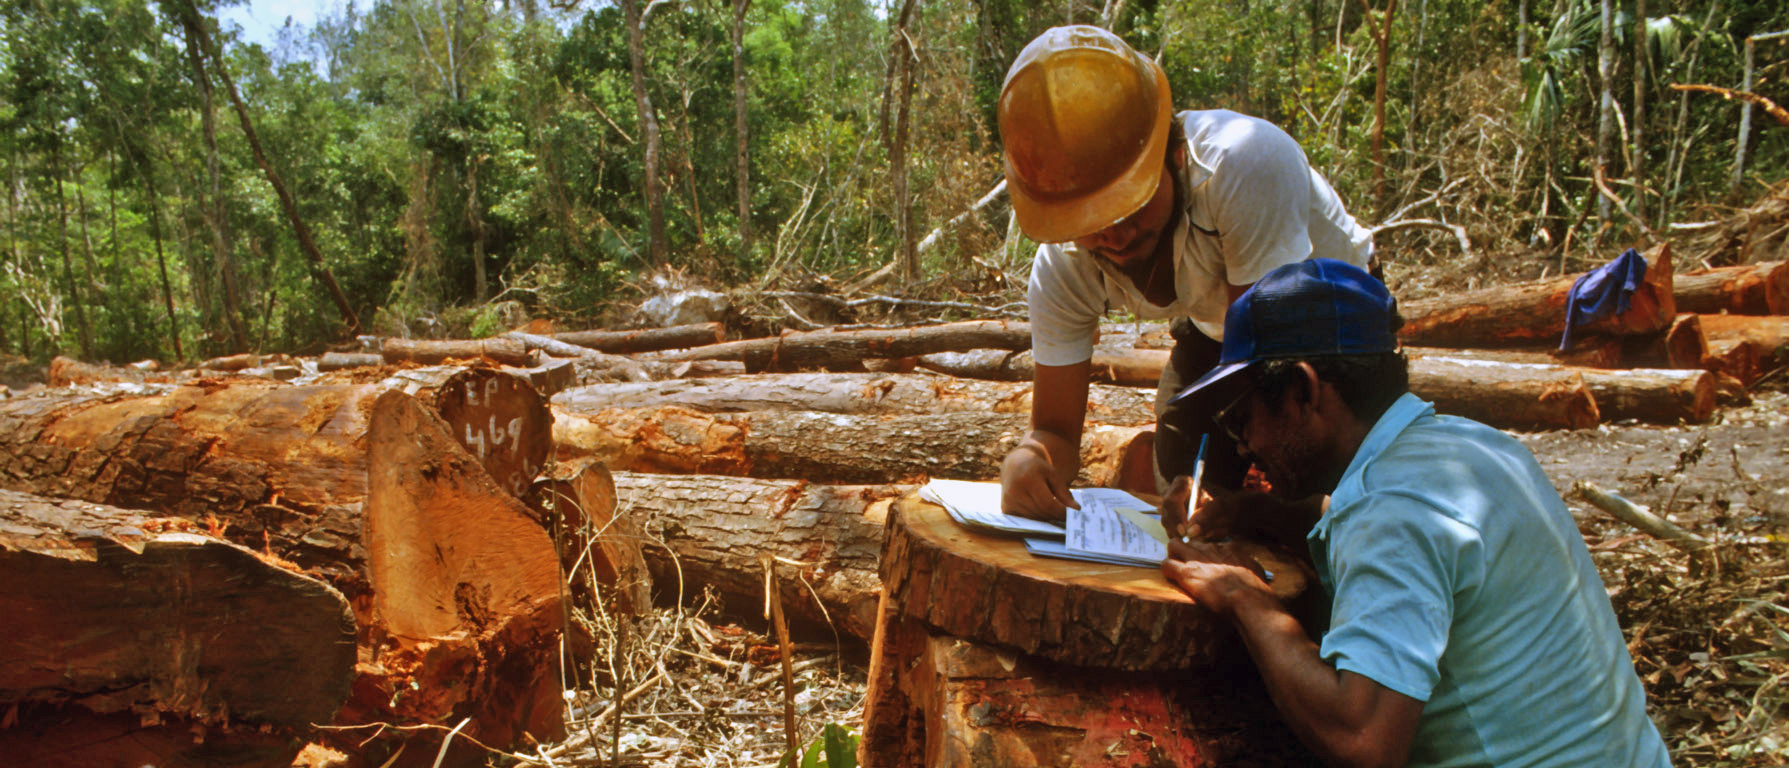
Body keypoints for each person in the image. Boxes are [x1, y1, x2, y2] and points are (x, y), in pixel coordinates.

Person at [1160, 258, 1672, 767]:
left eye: (1242, 417)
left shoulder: (1392, 511)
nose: (1246, 443)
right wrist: (1250, 511)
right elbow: (1363, 525)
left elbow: (1363, 739)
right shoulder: (1474, 447)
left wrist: (1248, 601)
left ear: (1303, 390)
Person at [995, 25, 1374, 520]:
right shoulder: (1063, 269)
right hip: (1218, 321)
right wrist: (1031, 457)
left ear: (1174, 155)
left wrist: (1249, 503)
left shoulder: (1243, 165)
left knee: (1323, 485)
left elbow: (1263, 366)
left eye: (1129, 206)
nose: (1113, 235)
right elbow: (1056, 434)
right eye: (1090, 222)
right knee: (1181, 477)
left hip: (1331, 318)